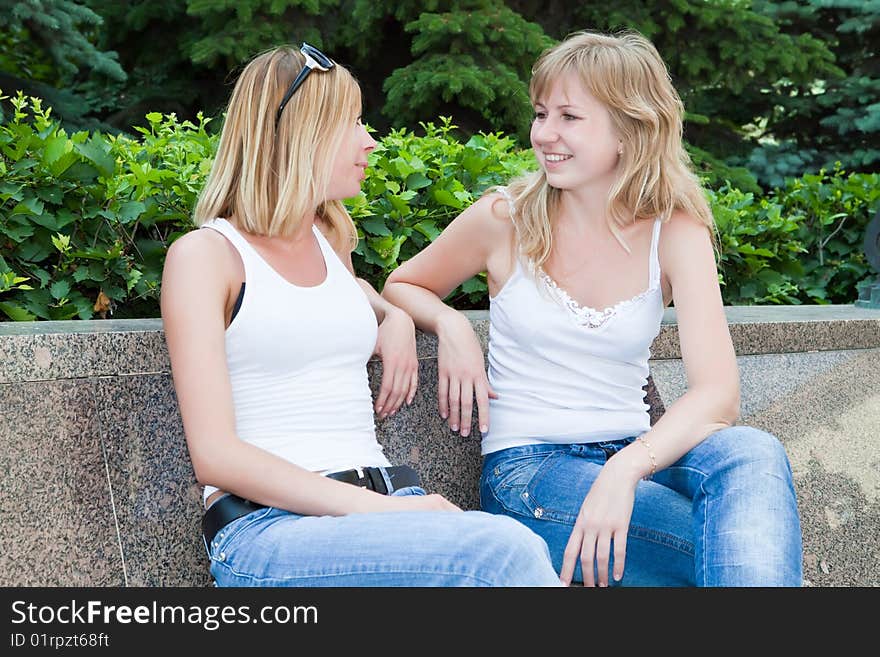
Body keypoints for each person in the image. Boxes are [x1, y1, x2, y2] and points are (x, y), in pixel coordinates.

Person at [382, 30, 803, 587]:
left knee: (752, 450)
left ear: (630, 129)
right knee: (735, 547)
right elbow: (402, 283)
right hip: (532, 472)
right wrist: (451, 323)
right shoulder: (504, 218)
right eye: (540, 114)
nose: (544, 135)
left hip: (640, 453)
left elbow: (717, 396)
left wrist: (625, 468)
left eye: (569, 117)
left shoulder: (675, 231)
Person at [160, 43, 562, 587]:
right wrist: (385, 511)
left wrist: (404, 318)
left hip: (384, 505)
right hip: (270, 531)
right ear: (300, 133)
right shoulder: (205, 257)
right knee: (504, 552)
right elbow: (216, 456)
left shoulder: (328, 239)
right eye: (350, 123)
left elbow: (349, 300)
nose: (369, 140)